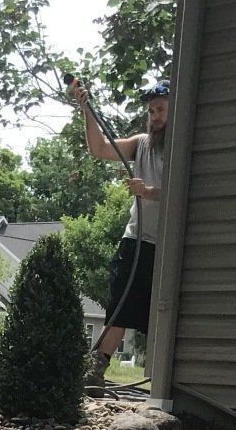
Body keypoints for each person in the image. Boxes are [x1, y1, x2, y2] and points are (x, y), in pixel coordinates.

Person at [71, 78, 170, 388]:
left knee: (163, 313)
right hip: (136, 240)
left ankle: (164, 380)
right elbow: (99, 148)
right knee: (119, 306)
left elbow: (184, 191)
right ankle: (95, 371)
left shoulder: (182, 147)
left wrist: (149, 191)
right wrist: (86, 109)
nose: (155, 117)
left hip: (168, 246)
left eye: (160, 110)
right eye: (151, 111)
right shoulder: (141, 144)